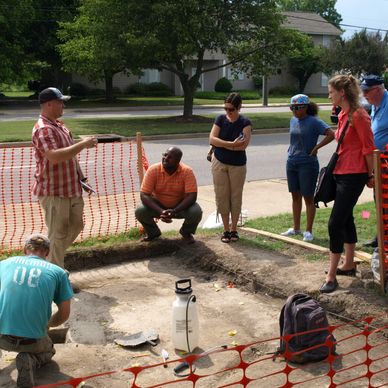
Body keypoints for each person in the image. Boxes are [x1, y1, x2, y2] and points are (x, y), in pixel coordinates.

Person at [32, 87, 97, 281]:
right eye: (60, 102)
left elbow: (70, 156)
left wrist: (82, 178)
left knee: (76, 225)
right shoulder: (43, 129)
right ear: (49, 104)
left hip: (71, 188)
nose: (63, 105)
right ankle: (56, 277)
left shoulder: (59, 125)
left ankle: (49, 258)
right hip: (54, 191)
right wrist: (83, 144)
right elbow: (54, 157)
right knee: (58, 234)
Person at [321, 75, 375, 293]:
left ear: (342, 92)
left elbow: (368, 148)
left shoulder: (359, 116)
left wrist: (370, 175)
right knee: (346, 218)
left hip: (355, 175)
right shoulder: (343, 114)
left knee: (335, 223)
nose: (329, 95)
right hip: (341, 172)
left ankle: (331, 275)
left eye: (331, 91)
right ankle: (349, 264)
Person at [0, 234, 73, 387]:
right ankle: (31, 359)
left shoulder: (4, 264)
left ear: (25, 249)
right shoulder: (58, 273)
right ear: (47, 253)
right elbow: (64, 314)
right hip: (32, 342)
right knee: (49, 351)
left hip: (2, 338)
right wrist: (48, 324)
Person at [281, 94, 334, 242]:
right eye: (292, 108)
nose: (294, 111)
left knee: (308, 197)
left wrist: (317, 147)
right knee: (295, 195)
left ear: (305, 107)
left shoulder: (314, 122)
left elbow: (331, 134)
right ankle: (296, 228)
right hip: (292, 161)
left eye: (297, 108)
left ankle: (308, 231)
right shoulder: (293, 120)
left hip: (307, 163)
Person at [135, 146, 202, 243]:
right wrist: (161, 211)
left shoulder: (187, 171)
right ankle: (153, 233)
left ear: (178, 161)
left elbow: (192, 196)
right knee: (140, 210)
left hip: (179, 207)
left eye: (170, 157)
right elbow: (144, 195)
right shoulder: (153, 170)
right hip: (158, 206)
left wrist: (175, 210)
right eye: (165, 155)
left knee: (196, 211)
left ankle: (186, 233)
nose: (166, 158)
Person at [209, 92, 252, 243]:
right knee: (221, 196)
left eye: (231, 109)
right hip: (219, 162)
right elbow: (212, 139)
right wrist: (231, 144)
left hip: (238, 165)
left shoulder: (245, 123)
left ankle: (234, 230)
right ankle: (225, 230)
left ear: (239, 107)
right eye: (226, 108)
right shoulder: (220, 119)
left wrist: (223, 144)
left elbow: (243, 146)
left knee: (235, 196)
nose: (228, 112)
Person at [360, 75, 387, 248]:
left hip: (386, 160)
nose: (364, 94)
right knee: (379, 199)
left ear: (377, 89)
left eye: (366, 91)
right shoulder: (375, 105)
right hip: (377, 161)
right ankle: (381, 235)